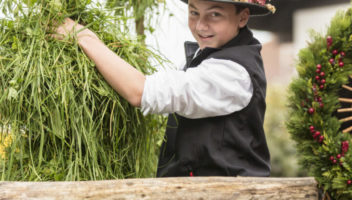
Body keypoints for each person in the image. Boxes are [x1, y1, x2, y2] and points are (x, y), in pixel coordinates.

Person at [53, 0, 276, 177]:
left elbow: (140, 92)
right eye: (194, 12)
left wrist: (84, 37)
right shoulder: (205, 59)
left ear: (242, 17)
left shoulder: (232, 74)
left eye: (214, 14)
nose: (200, 25)